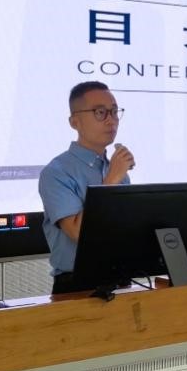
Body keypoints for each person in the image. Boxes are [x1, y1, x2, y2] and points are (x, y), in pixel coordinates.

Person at [38, 81, 135, 294]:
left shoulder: (116, 170)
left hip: (121, 280)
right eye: (100, 112)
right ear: (74, 122)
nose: (111, 120)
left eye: (114, 112)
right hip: (78, 286)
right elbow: (78, 232)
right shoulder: (57, 172)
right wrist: (111, 180)